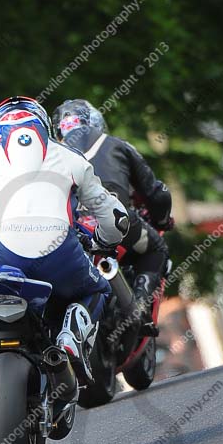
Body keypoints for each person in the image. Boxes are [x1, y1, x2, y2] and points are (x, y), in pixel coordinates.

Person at [0, 96, 130, 396]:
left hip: (1, 256)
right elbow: (116, 220)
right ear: (44, 127)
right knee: (96, 289)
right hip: (64, 256)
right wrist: (103, 241)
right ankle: (71, 336)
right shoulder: (71, 157)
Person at [52, 99, 173, 329]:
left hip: (67, 230)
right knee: (156, 249)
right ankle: (137, 309)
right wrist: (163, 220)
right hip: (117, 221)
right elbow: (157, 194)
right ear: (96, 121)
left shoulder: (49, 155)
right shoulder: (116, 144)